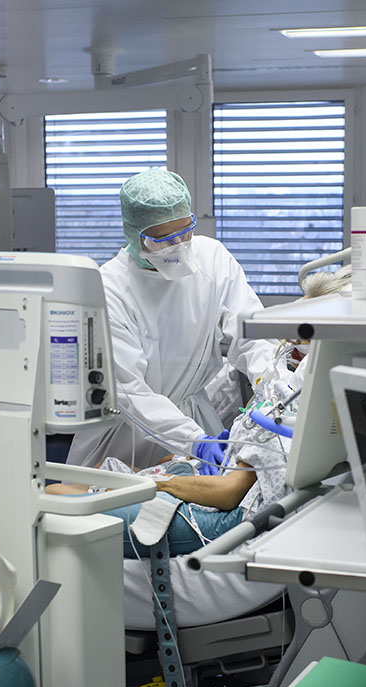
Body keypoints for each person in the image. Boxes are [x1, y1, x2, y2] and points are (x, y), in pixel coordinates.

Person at [66, 169, 279, 474]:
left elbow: (251, 332)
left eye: (186, 231)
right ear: (134, 234)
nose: (179, 246)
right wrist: (193, 441)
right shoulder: (108, 289)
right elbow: (131, 392)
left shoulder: (213, 258)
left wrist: (273, 387)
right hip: (127, 436)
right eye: (162, 239)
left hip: (196, 424)